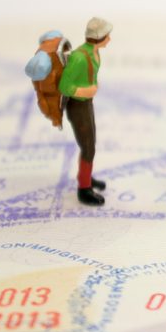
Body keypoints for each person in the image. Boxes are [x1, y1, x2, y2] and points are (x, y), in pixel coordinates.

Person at [58, 17, 112, 206]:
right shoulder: (80, 57)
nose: (110, 39)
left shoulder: (94, 53)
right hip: (78, 106)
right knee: (88, 146)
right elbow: (64, 86)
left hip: (86, 104)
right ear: (99, 37)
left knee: (90, 144)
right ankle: (84, 189)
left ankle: (86, 177)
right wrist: (85, 91)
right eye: (107, 35)